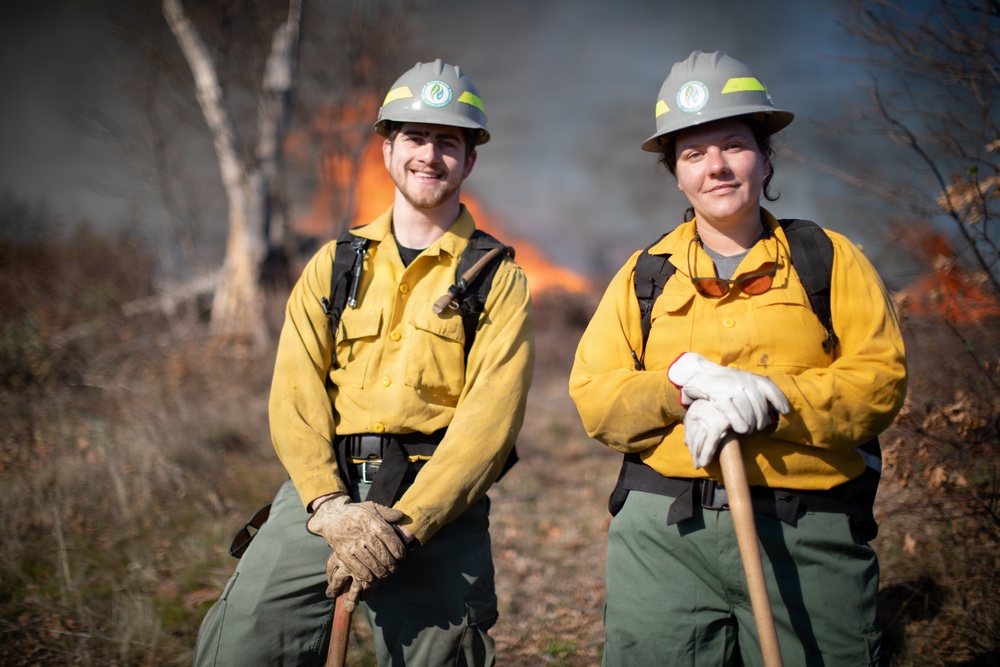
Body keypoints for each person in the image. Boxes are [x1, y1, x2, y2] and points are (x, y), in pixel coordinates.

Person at [569, 50, 907, 666]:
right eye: (694, 154)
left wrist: (768, 400)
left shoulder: (829, 261)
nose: (716, 167)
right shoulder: (645, 276)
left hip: (809, 531)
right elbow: (595, 397)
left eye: (734, 145)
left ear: (767, 154)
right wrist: (682, 394)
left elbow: (878, 385)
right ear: (676, 173)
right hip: (664, 538)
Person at [194, 58, 535, 666]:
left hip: (432, 505)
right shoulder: (334, 264)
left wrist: (408, 525)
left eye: (448, 142)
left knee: (439, 657)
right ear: (388, 149)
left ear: (470, 159)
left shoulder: (497, 281)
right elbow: (294, 395)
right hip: (324, 498)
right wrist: (329, 509)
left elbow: (490, 424)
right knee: (243, 642)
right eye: (415, 137)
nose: (430, 155)